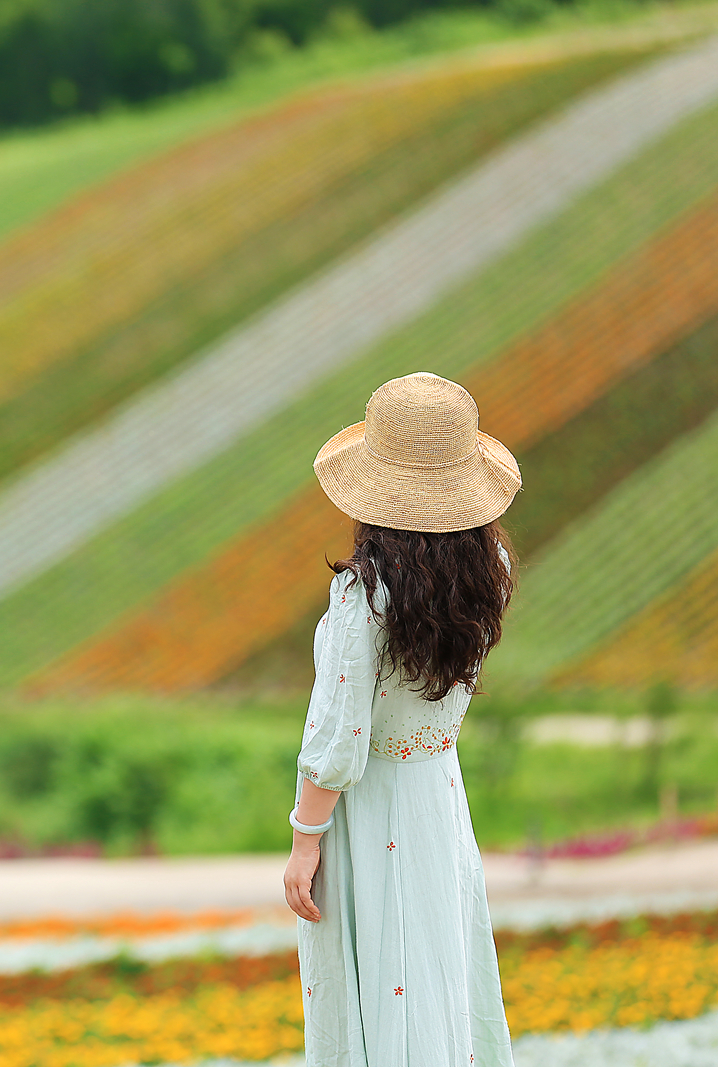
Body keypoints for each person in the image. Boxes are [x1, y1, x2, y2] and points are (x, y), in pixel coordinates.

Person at [284, 372, 521, 1067]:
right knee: (437, 966)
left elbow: (338, 735)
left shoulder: (365, 597)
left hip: (373, 804)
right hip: (439, 792)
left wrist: (305, 839)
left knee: (380, 975)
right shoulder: (492, 568)